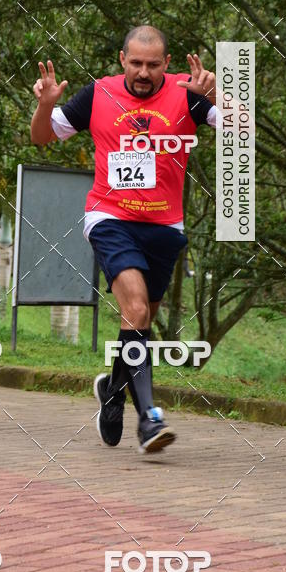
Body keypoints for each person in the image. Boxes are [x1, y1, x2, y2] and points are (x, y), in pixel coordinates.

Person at [30, 25, 217, 454]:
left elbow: (244, 128)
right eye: (136, 63)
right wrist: (45, 106)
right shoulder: (99, 94)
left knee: (140, 320)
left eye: (152, 65)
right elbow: (41, 136)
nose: (143, 73)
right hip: (110, 218)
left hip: (165, 227)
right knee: (134, 308)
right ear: (122, 60)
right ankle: (149, 419)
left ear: (166, 64)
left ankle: (112, 390)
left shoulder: (187, 92)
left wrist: (216, 95)